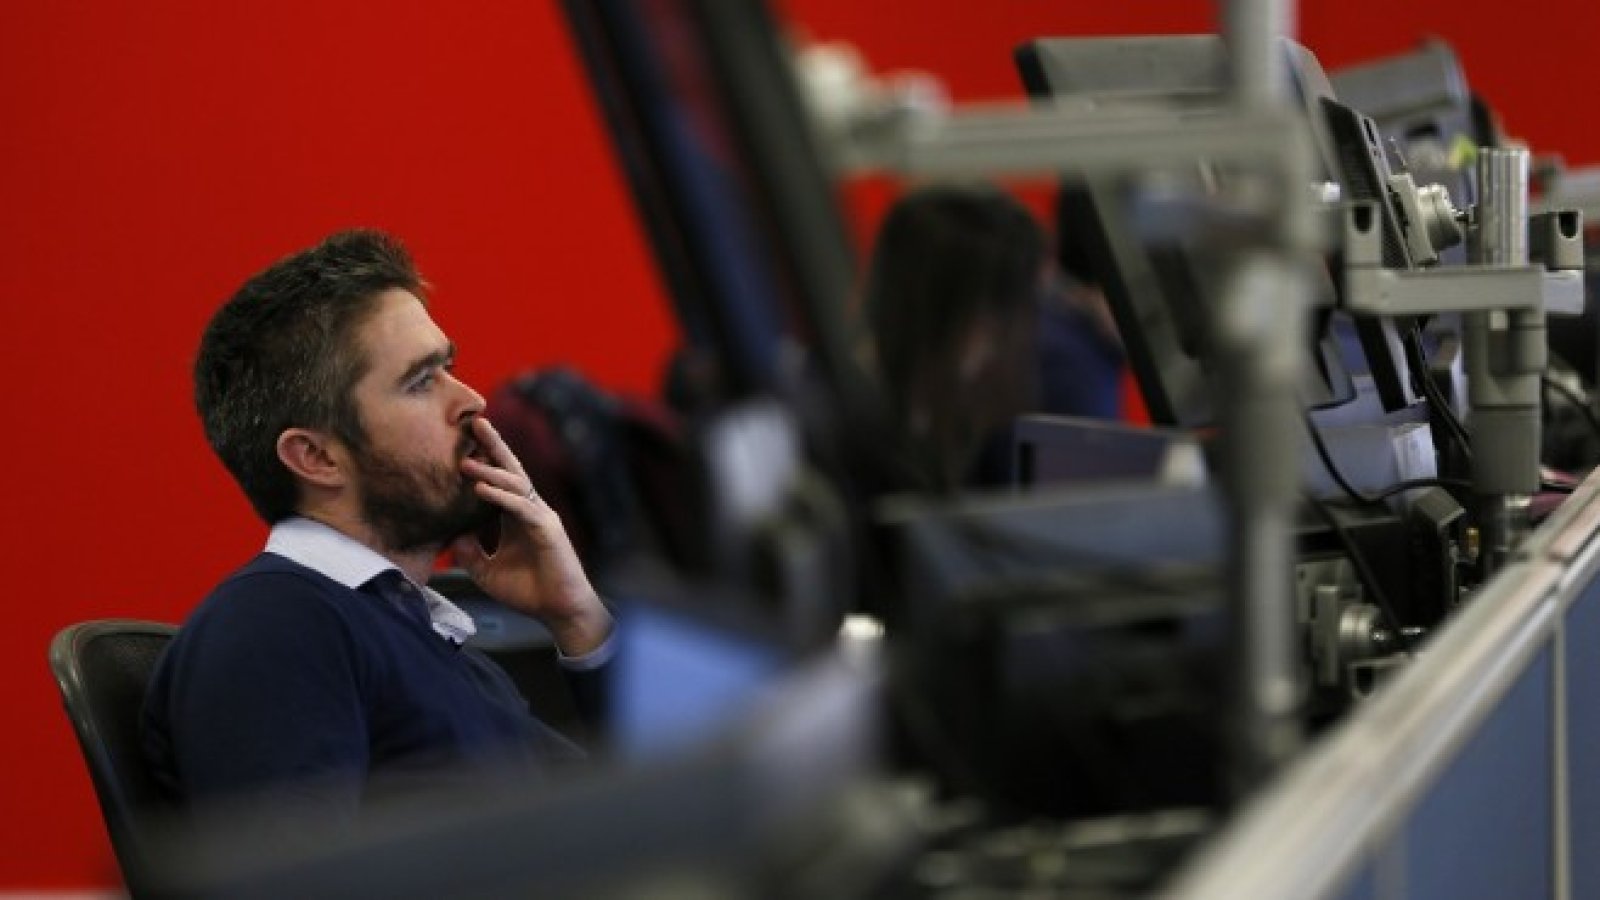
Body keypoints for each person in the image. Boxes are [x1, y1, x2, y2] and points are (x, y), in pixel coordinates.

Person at [142, 229, 615, 822]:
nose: (471, 400)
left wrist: (579, 619)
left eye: (449, 367)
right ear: (317, 457)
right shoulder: (274, 627)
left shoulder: (441, 648)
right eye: (420, 381)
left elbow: (656, 818)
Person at [860, 182, 1124, 488]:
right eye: (1032, 305)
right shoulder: (882, 468)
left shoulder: (920, 429)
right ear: (978, 333)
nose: (1043, 329)